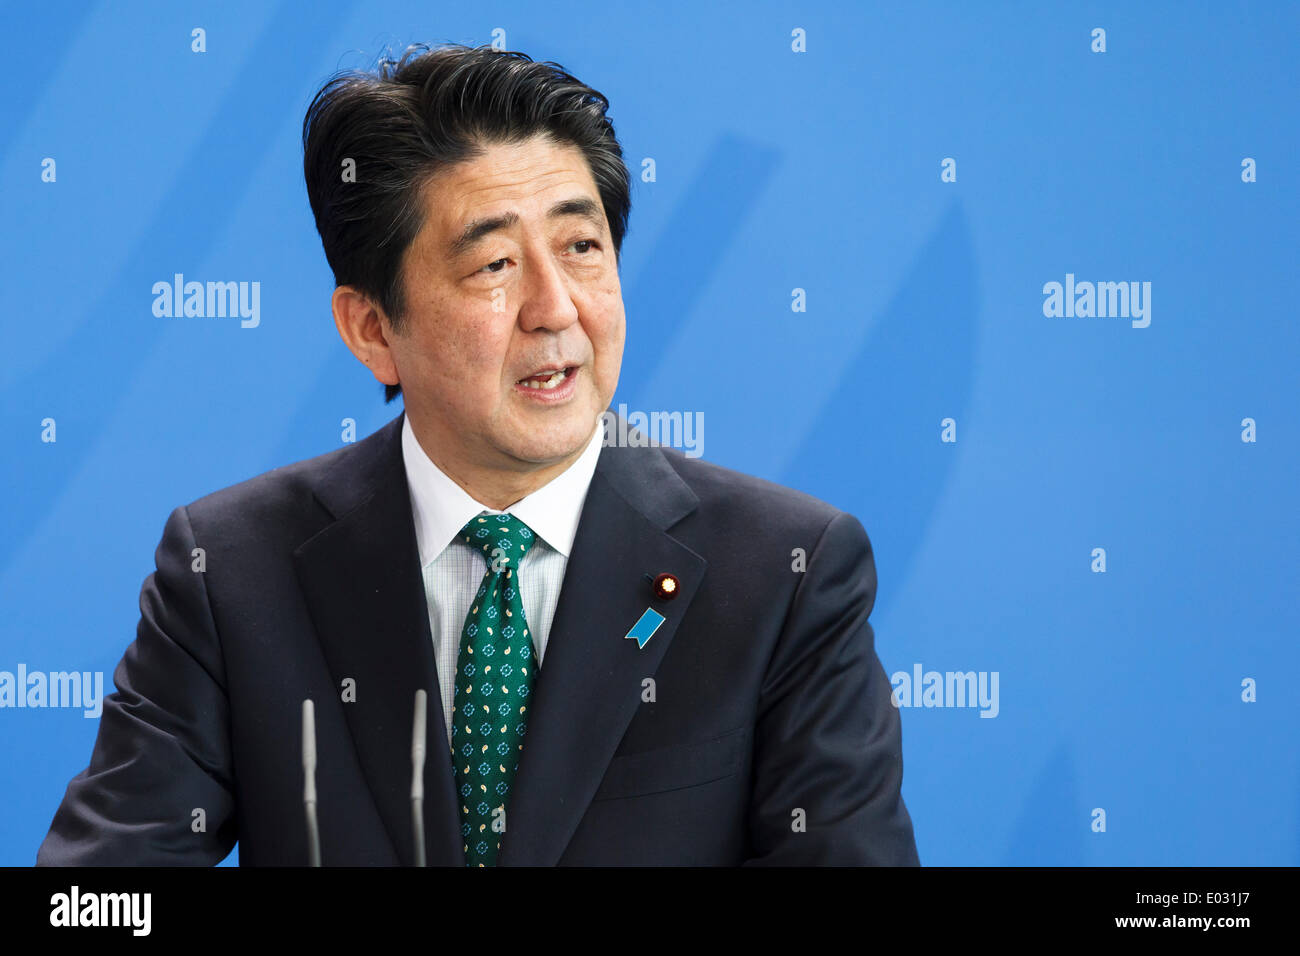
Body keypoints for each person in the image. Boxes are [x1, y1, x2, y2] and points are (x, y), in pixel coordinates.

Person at [36, 42, 919, 866]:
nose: (555, 307)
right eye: (494, 265)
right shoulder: (227, 572)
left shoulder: (786, 574)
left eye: (582, 247)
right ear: (373, 329)